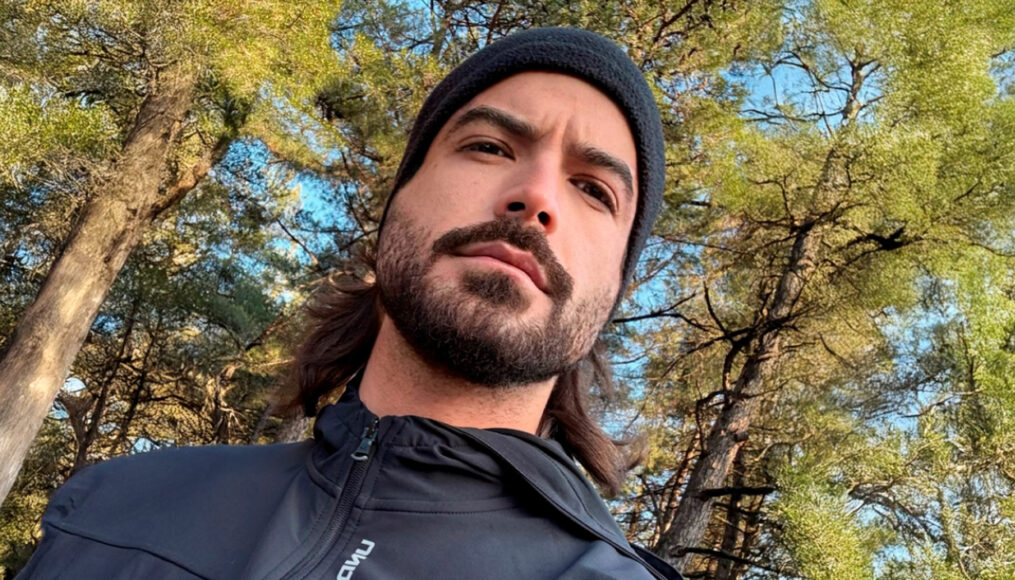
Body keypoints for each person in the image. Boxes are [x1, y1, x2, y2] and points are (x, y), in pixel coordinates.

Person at [18, 27, 679, 580]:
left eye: (594, 190)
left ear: (614, 290)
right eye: (488, 147)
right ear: (396, 207)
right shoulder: (111, 509)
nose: (537, 196)